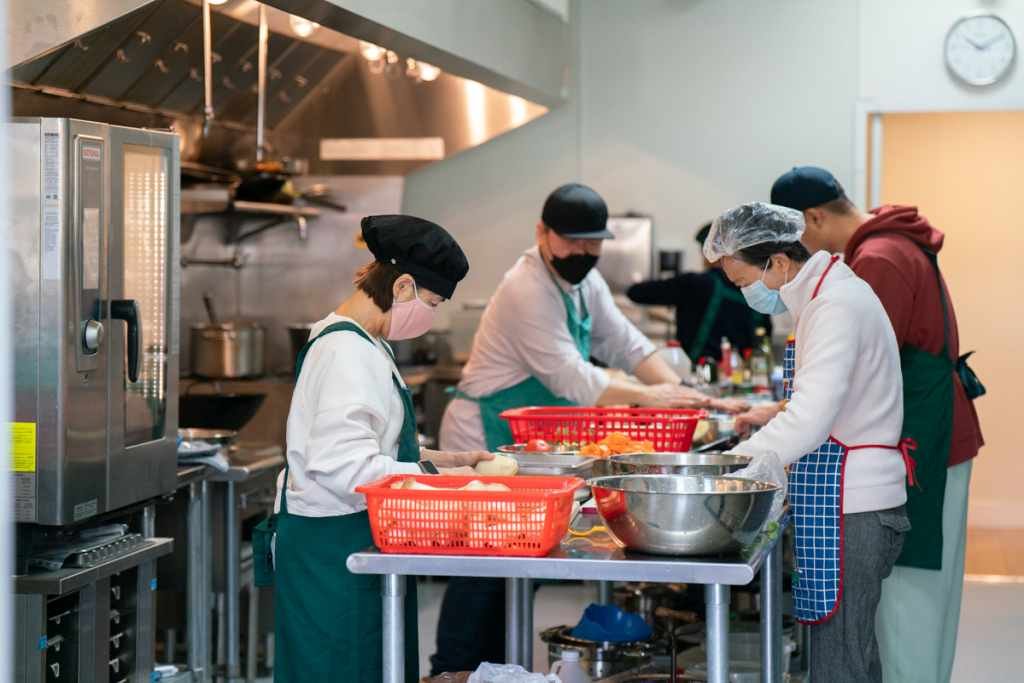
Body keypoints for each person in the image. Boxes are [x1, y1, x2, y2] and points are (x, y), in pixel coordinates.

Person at [431, 183, 743, 674]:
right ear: (542, 233)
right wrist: (652, 397)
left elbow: (626, 344)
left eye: (592, 243)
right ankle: (452, 667)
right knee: (481, 564)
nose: (582, 252)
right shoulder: (526, 288)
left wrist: (684, 395)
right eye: (571, 241)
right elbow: (572, 378)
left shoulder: (584, 284)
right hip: (483, 436)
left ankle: (494, 668)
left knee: (516, 562)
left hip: (526, 444)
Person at [770, 166, 984, 683]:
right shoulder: (891, 244)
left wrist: (786, 421)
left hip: (921, 441)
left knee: (908, 602)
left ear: (813, 217)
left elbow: (856, 371)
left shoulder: (877, 259)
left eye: (795, 239)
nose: (798, 257)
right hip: (930, 432)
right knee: (920, 602)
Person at [269, 215, 492, 682]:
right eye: (432, 303)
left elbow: (376, 445)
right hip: (333, 554)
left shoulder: (369, 342)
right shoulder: (345, 352)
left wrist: (448, 461)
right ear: (403, 286)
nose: (430, 317)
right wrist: (444, 481)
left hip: (357, 542)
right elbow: (347, 468)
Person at [706, 202, 913, 683]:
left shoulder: (834, 305)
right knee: (850, 655)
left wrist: (729, 468)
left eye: (744, 281)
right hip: (843, 501)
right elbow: (826, 402)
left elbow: (810, 419)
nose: (746, 293)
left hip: (853, 505)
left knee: (841, 662)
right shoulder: (826, 296)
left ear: (778, 262)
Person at [627, 221, 771, 362]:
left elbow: (636, 292)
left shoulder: (695, 283)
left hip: (699, 372)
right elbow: (766, 337)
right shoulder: (758, 291)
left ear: (709, 254)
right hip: (746, 373)